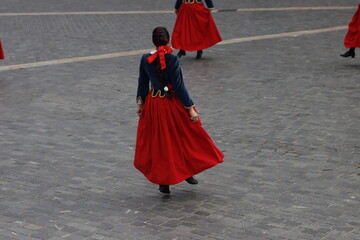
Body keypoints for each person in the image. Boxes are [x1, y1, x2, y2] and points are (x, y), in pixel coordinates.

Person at [134, 27, 224, 194]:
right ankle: (187, 171)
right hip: (172, 103)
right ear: (168, 41)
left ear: (153, 41)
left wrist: (140, 103)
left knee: (160, 142)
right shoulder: (173, 60)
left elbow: (142, 83)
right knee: (184, 136)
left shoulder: (145, 59)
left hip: (154, 104)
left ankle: (165, 182)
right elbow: (180, 87)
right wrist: (190, 109)